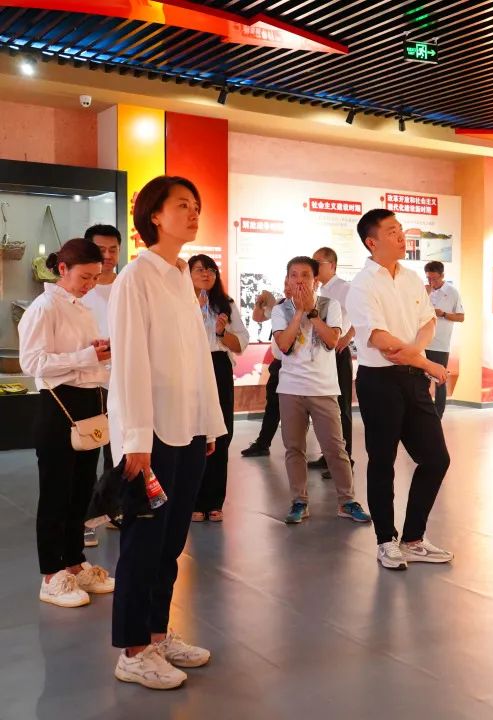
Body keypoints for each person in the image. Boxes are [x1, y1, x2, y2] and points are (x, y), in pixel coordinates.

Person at [108, 175, 227, 690]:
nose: (193, 212)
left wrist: (209, 422)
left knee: (172, 540)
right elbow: (130, 362)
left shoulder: (182, 276)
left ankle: (157, 633)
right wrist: (135, 438)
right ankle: (133, 650)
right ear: (154, 215)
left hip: (188, 427)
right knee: (143, 542)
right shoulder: (136, 278)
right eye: (182, 205)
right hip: (151, 433)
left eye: (196, 205)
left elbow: (198, 358)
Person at [347, 209, 452, 571]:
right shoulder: (362, 285)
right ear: (372, 242)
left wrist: (415, 356)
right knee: (382, 462)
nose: (401, 236)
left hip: (412, 378)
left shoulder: (410, 278)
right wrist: (426, 362)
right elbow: (379, 339)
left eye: (401, 229)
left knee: (436, 458)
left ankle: (413, 539)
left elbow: (428, 323)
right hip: (379, 382)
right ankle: (385, 541)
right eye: (392, 231)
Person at [18, 237, 115, 608]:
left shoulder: (80, 306)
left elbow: (80, 356)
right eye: (85, 276)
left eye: (95, 277)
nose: (90, 284)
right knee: (56, 494)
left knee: (81, 491)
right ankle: (50, 575)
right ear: (63, 269)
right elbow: (33, 363)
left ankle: (75, 562)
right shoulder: (44, 307)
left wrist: (98, 353)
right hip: (58, 404)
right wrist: (87, 355)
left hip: (88, 402)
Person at [272, 256, 370, 525]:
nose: (299, 280)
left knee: (335, 448)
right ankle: (299, 501)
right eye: (294, 275)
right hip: (291, 388)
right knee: (294, 448)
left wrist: (312, 312)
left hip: (323, 388)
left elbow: (332, 340)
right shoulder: (280, 310)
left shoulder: (331, 305)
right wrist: (299, 312)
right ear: (288, 279)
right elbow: (284, 344)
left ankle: (347, 501)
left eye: (305, 275)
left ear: (316, 280)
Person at [189, 253, 249, 522]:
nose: (206, 274)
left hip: (218, 365)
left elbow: (241, 343)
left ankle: (214, 500)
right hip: (190, 366)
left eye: (211, 270)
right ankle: (193, 500)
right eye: (200, 270)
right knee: (194, 431)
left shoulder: (226, 304)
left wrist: (222, 333)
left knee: (221, 431)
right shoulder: (180, 303)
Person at [81, 223, 123, 547]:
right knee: (83, 455)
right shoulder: (80, 292)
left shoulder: (127, 285)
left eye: (113, 249)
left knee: (117, 452)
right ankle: (81, 520)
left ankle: (110, 510)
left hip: (120, 383)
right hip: (86, 383)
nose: (107, 256)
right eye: (100, 250)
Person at [310, 247, 355, 480]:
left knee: (341, 407)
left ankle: (346, 458)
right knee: (325, 407)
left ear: (332, 265)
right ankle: (328, 455)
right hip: (323, 354)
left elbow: (363, 315)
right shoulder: (320, 290)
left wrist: (347, 339)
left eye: (318, 262)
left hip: (338, 352)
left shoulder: (345, 288)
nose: (314, 267)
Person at [241, 287, 286, 457]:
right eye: (288, 280)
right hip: (279, 363)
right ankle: (262, 444)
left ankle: (324, 452)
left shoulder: (306, 307)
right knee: (273, 404)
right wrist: (260, 303)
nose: (288, 286)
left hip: (298, 365)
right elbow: (257, 317)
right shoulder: (280, 304)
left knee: (304, 408)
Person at [424, 261, 465, 419]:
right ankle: (424, 414)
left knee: (440, 381)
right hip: (422, 344)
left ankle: (438, 415)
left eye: (434, 279)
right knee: (421, 382)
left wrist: (443, 314)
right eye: (428, 278)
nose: (431, 282)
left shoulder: (452, 292)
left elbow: (461, 317)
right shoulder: (424, 291)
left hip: (440, 346)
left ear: (442, 276)